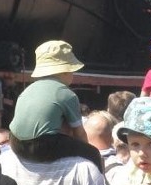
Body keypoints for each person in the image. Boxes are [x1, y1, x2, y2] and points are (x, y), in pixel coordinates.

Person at [8, 40, 102, 170]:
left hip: (15, 143)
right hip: (41, 146)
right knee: (93, 153)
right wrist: (86, 151)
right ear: (64, 71)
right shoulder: (65, 93)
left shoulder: (28, 90)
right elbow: (79, 134)